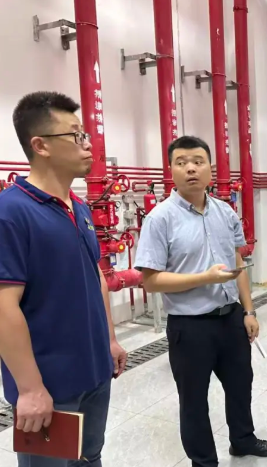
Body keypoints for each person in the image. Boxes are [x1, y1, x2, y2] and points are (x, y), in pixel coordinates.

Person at [0, 91, 128, 466]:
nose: (88, 144)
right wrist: (30, 389)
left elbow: (96, 276)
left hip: (95, 372)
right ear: (40, 145)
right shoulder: (11, 212)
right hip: (50, 388)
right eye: (76, 135)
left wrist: (110, 339)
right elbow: (3, 306)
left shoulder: (80, 207)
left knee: (89, 458)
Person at [134, 136, 267, 467]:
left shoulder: (225, 211)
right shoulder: (159, 219)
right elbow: (150, 280)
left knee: (240, 385)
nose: (190, 168)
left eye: (198, 161)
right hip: (190, 327)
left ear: (210, 168)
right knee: (194, 401)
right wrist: (204, 278)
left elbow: (237, 263)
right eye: (182, 162)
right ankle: (204, 462)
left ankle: (242, 440)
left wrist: (249, 310)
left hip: (231, 319)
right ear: (171, 170)